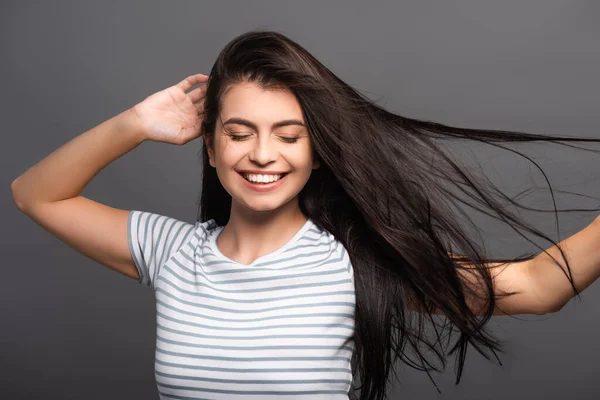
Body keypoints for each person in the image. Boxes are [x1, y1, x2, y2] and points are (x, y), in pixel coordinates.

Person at [10, 30, 600, 400]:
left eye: (288, 136)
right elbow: (36, 194)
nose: (263, 154)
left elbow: (536, 286)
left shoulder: (353, 264)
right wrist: (135, 125)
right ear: (211, 149)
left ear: (316, 156)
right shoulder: (170, 253)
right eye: (239, 134)